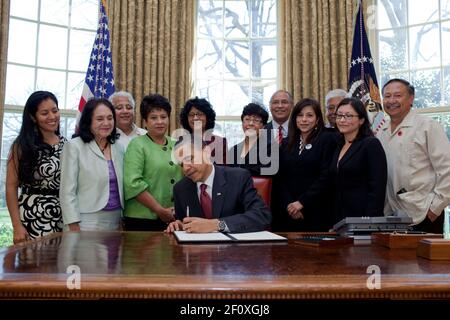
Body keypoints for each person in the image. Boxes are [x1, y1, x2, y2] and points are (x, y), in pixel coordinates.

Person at [377, 78, 450, 233]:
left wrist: (435, 208)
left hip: (424, 213)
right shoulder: (380, 130)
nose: (391, 101)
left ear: (411, 98)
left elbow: (447, 169)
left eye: (397, 95)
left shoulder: (427, 126)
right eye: (387, 96)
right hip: (392, 215)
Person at [165, 138, 271, 233]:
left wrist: (216, 225)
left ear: (206, 152)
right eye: (181, 164)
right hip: (198, 252)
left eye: (189, 159)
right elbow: (184, 223)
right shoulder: (180, 189)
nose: (185, 168)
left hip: (235, 251)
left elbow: (262, 216)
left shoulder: (238, 177)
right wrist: (179, 225)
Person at [6, 91, 66, 243]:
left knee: (59, 265)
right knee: (33, 265)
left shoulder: (69, 145)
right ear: (33, 117)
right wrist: (17, 226)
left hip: (63, 217)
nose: (52, 117)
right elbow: (11, 187)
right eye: (45, 113)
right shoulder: (21, 146)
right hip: (31, 216)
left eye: (55, 110)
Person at [60, 98, 124, 231]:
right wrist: (73, 224)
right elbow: (67, 191)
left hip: (116, 219)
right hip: (85, 221)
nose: (106, 123)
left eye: (110, 118)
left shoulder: (119, 147)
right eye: (100, 119)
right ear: (88, 121)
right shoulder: (74, 146)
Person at [123, 94, 183, 231]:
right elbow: (133, 184)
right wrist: (160, 210)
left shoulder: (177, 145)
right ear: (145, 121)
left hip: (174, 218)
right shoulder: (137, 145)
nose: (160, 122)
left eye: (163, 117)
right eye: (153, 118)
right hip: (142, 219)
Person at [276, 98, 338, 231]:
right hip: (289, 211)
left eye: (309, 115)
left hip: (317, 209)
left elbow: (326, 176)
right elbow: (281, 177)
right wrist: (290, 205)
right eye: (300, 115)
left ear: (317, 120)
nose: (304, 119)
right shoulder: (287, 142)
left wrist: (302, 202)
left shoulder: (327, 139)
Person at [330, 97, 387, 223]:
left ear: (361, 120)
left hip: (363, 219)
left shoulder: (371, 144)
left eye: (349, 116)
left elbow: (377, 189)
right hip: (340, 219)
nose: (342, 120)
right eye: (339, 116)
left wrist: (367, 222)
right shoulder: (337, 145)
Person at [228, 103, 277, 176]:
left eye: (256, 120)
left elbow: (268, 170)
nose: (251, 123)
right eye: (247, 119)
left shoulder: (270, 148)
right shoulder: (234, 149)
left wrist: (238, 173)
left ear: (263, 126)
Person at [179, 97, 227, 164]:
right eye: (191, 115)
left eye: (200, 114)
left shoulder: (220, 142)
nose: (195, 118)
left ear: (207, 117)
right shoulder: (181, 141)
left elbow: (223, 171)